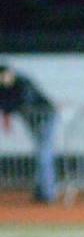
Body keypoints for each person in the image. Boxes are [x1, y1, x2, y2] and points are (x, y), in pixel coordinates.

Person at [0, 64, 57, 203]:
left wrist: (9, 107)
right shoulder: (4, 88)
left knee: (44, 156)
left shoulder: (23, 83)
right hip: (33, 123)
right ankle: (41, 190)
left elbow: (24, 102)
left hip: (46, 119)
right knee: (40, 155)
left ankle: (47, 193)